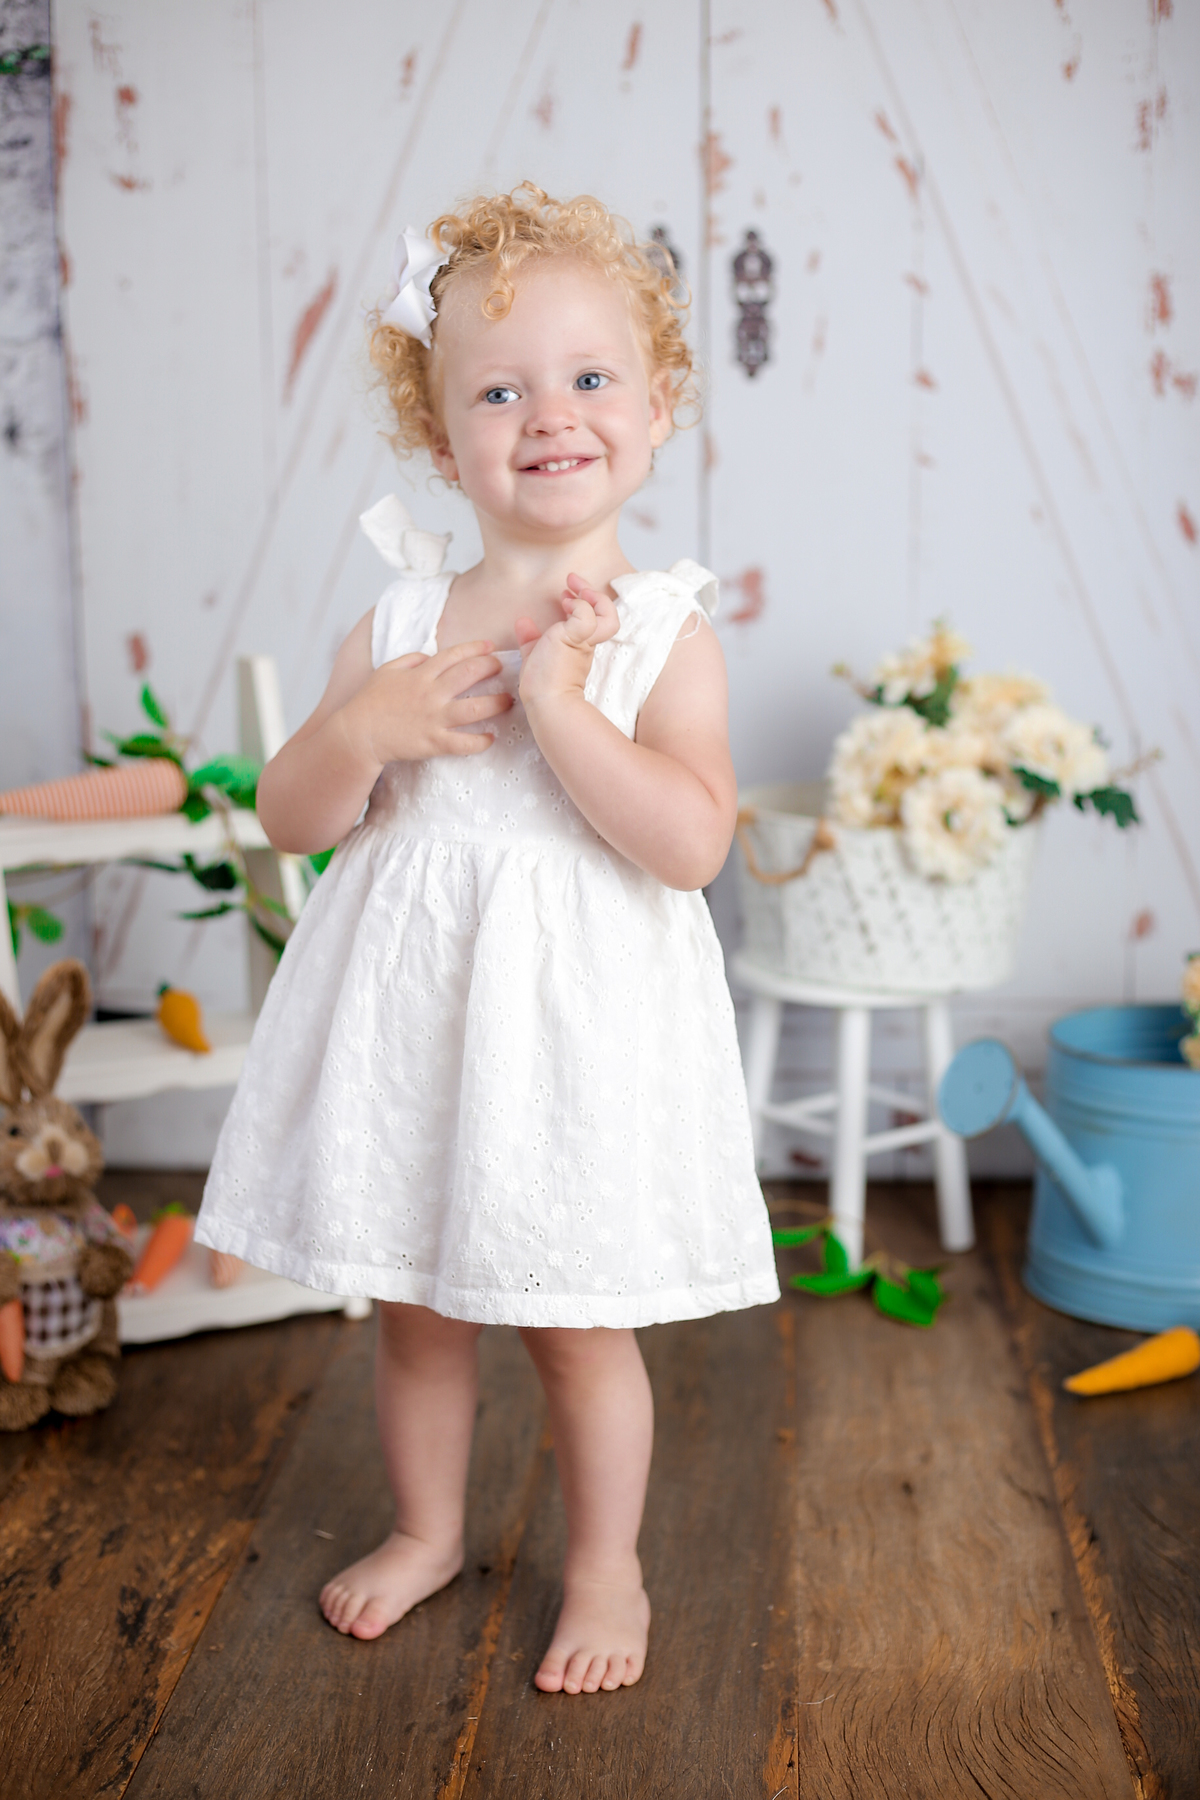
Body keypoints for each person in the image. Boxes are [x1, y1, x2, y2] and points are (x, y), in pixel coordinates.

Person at [195, 184, 779, 1696]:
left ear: (657, 406)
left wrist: (561, 708)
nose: (551, 415)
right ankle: (428, 1528)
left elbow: (690, 845)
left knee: (575, 1323)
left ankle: (606, 1568)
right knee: (415, 1308)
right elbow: (290, 820)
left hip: (574, 1046)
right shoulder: (399, 627)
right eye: (501, 391)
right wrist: (362, 730)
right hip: (411, 1036)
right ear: (440, 433)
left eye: (590, 377)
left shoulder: (660, 636)